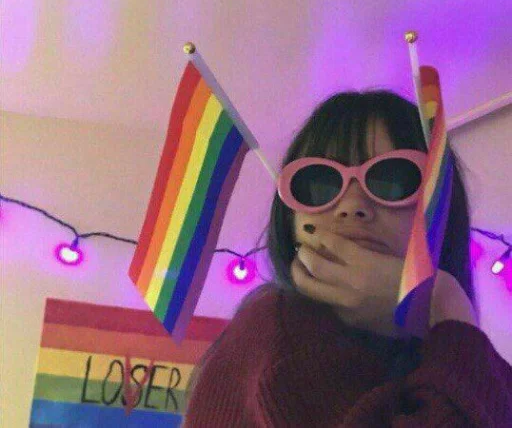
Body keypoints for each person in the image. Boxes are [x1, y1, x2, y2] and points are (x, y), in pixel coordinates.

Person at [183, 91, 512, 427]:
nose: (352, 205)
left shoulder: (421, 350)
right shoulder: (282, 331)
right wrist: (445, 301)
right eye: (320, 183)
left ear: (441, 208)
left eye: (392, 180)